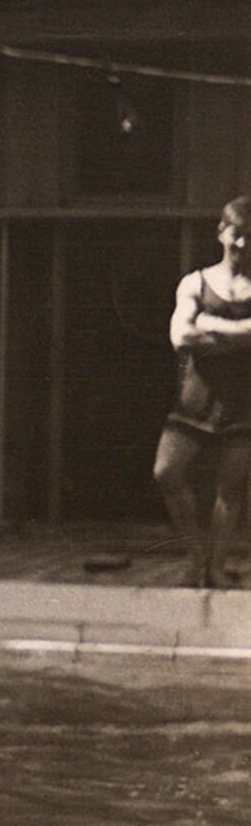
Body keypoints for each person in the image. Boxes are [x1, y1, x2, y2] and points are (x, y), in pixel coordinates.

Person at [157, 196, 251, 590]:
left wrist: (208, 325)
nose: (243, 244)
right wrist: (241, 332)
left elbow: (197, 334)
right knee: (166, 472)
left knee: (230, 489)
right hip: (195, 398)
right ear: (221, 233)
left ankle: (216, 567)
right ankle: (195, 557)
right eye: (237, 234)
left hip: (243, 401)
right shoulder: (195, 282)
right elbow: (181, 337)